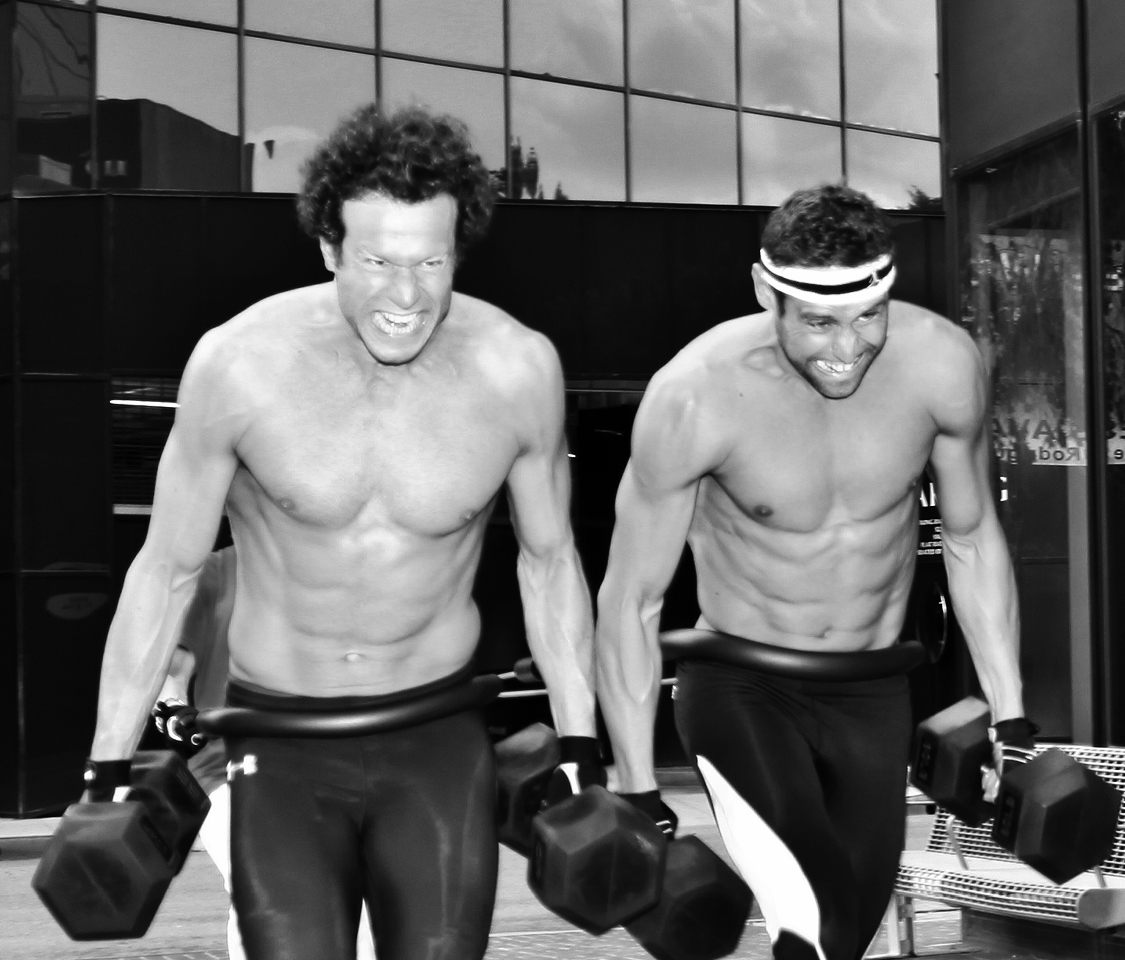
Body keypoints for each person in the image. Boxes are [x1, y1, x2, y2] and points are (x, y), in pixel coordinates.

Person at [85, 104, 600, 960]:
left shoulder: (517, 368)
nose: (406, 296)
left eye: (430, 262)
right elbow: (166, 570)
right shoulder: (238, 364)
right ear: (329, 248)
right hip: (281, 743)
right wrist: (105, 770)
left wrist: (581, 746)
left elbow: (550, 564)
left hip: (435, 739)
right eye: (378, 262)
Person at [595, 184, 1030, 960]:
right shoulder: (695, 395)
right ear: (766, 293)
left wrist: (1011, 723)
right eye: (820, 321)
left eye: (868, 316)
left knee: (845, 932)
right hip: (742, 688)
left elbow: (970, 539)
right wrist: (634, 785)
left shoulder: (940, 366)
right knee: (816, 923)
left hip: (873, 693)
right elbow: (631, 599)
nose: (847, 346)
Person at [152, 545, 377, 960]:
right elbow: (174, 667)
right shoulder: (216, 571)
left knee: (355, 895)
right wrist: (172, 705)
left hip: (330, 763)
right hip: (228, 764)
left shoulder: (347, 567)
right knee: (262, 887)